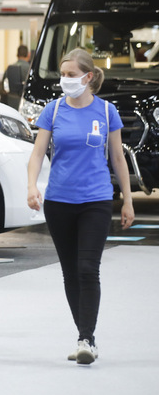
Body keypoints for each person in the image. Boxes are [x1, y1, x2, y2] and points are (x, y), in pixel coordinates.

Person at [26, 48, 135, 365]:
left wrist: (127, 199)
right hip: (59, 202)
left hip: (96, 200)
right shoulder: (54, 110)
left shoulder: (106, 111)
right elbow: (37, 154)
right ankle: (84, 334)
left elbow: (117, 158)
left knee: (88, 269)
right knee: (71, 272)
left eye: (71, 75)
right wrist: (32, 185)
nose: (65, 80)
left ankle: (87, 338)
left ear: (88, 77)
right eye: (62, 75)